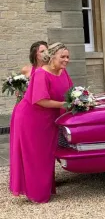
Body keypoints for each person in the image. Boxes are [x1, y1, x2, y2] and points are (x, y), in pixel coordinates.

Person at [10, 42, 72, 203]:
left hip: (49, 119)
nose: (66, 60)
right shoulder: (40, 74)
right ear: (52, 57)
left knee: (47, 154)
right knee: (36, 155)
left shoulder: (63, 72)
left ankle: (45, 188)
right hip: (31, 119)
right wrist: (65, 105)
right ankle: (37, 194)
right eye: (62, 57)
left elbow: (70, 91)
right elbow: (40, 100)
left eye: (67, 57)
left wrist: (81, 99)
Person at [9, 41, 48, 190]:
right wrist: (19, 93)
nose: (46, 54)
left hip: (42, 114)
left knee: (41, 147)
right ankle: (25, 181)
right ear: (35, 54)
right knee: (25, 148)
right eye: (42, 51)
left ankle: (43, 179)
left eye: (47, 50)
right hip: (26, 112)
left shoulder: (49, 70)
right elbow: (17, 88)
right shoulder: (27, 70)